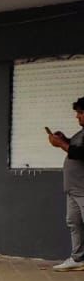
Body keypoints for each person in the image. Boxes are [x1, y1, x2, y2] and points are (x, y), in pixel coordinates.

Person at [47, 96, 84, 271]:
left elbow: (80, 153)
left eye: (81, 113)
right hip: (73, 189)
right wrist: (65, 140)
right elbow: (75, 148)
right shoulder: (81, 133)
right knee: (74, 223)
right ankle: (78, 259)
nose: (77, 117)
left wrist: (61, 144)